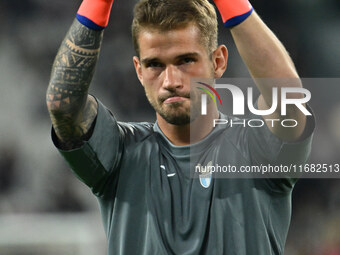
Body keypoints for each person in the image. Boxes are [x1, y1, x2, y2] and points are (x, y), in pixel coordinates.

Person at [46, 0, 314, 254]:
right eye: (155, 65)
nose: (171, 81)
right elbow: (62, 105)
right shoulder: (119, 154)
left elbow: (288, 97)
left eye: (186, 60)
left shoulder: (257, 149)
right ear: (139, 71)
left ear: (218, 61)